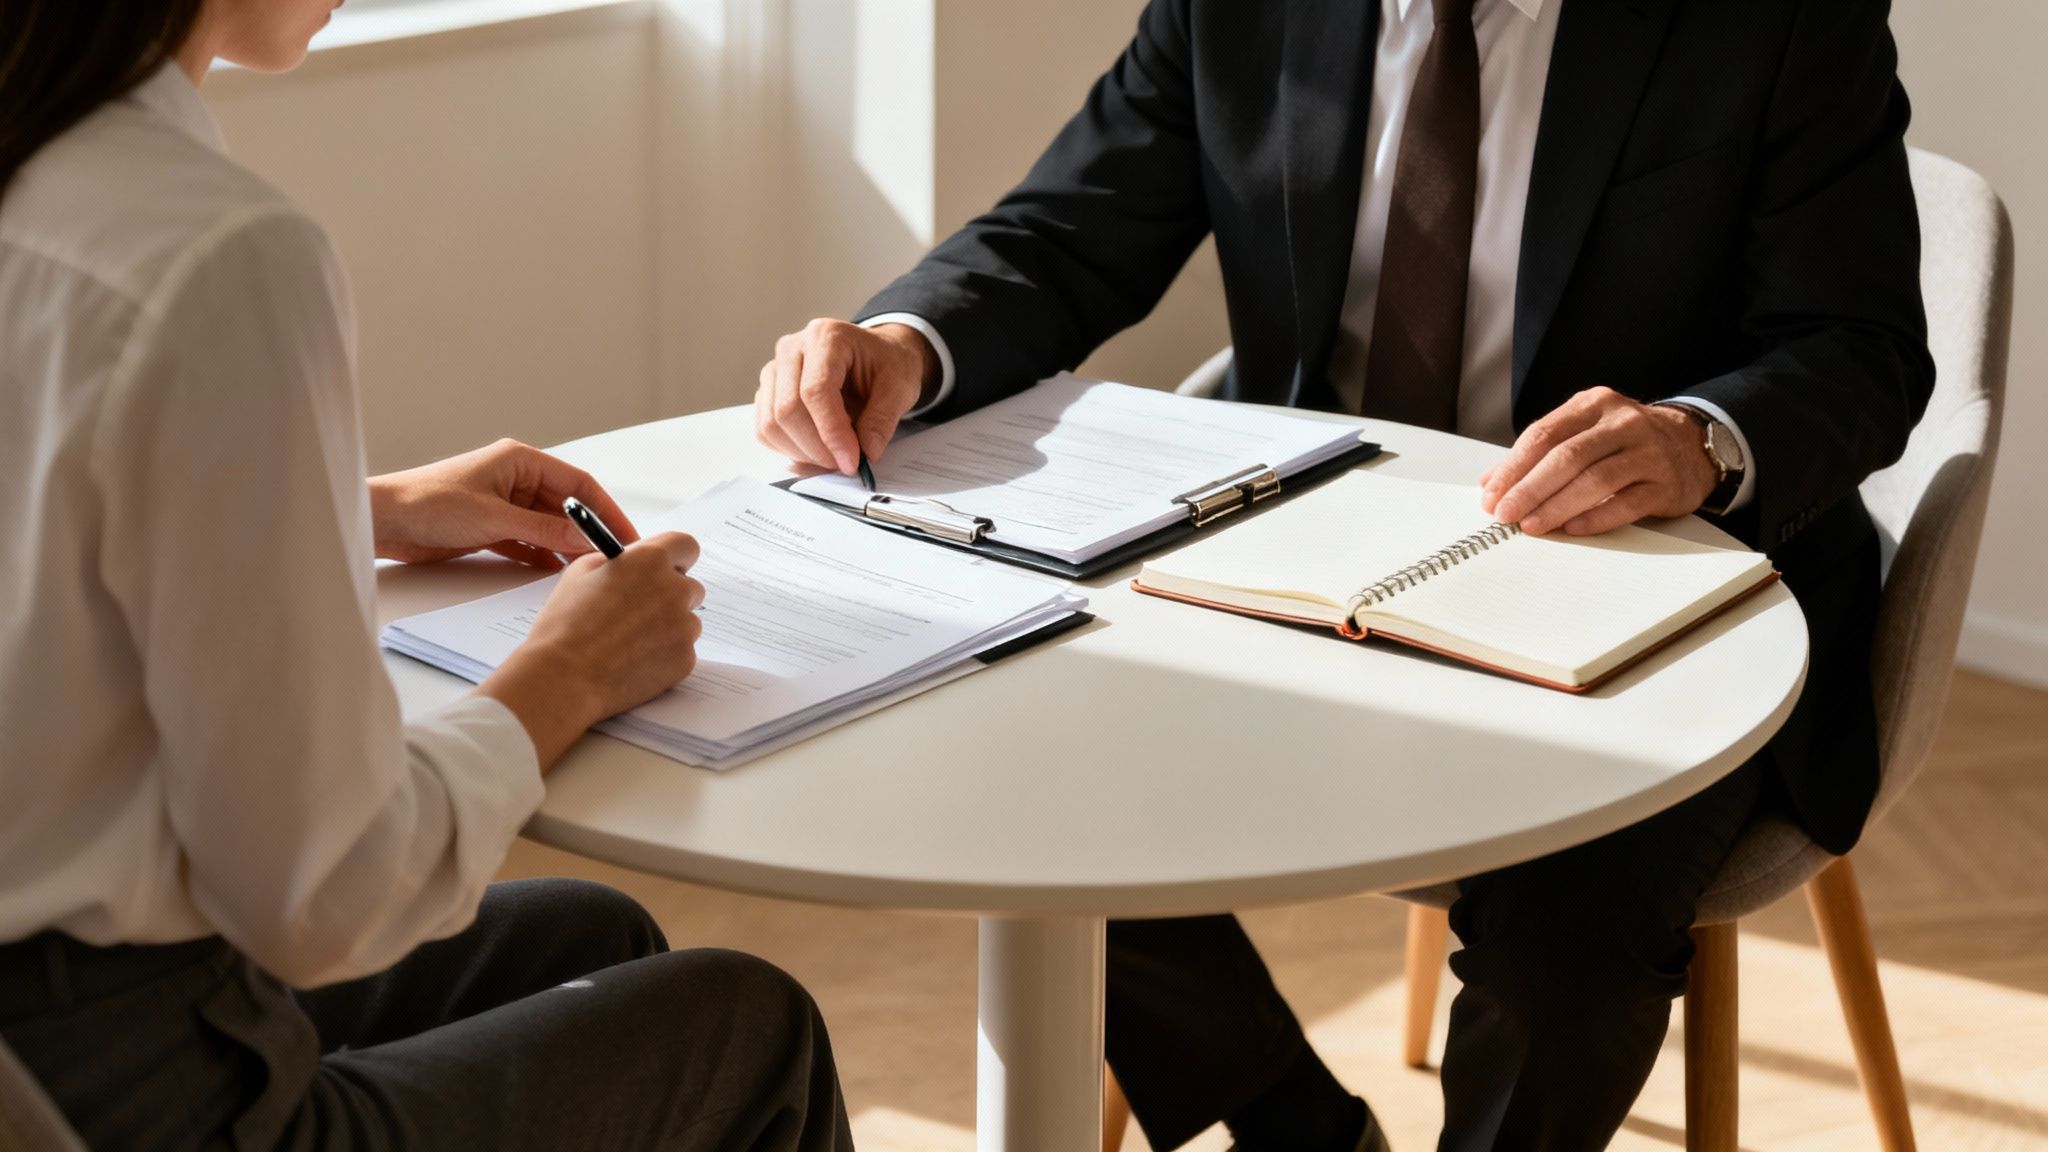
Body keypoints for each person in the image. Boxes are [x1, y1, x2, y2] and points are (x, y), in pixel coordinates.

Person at [754, 1, 1932, 1149]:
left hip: (1654, 600)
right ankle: (1296, 1134)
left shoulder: (1776, 19)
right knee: (1014, 782)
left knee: (1564, 951)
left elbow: (1858, 346)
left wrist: (1699, 436)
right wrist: (906, 339)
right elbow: (1067, 233)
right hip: (1309, 578)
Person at [0, 2, 851, 1149]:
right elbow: (322, 893)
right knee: (751, 1027)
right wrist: (567, 670)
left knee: (588, 939)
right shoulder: (209, 247)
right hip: (121, 1089)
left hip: (50, 1006)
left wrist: (359, 510)